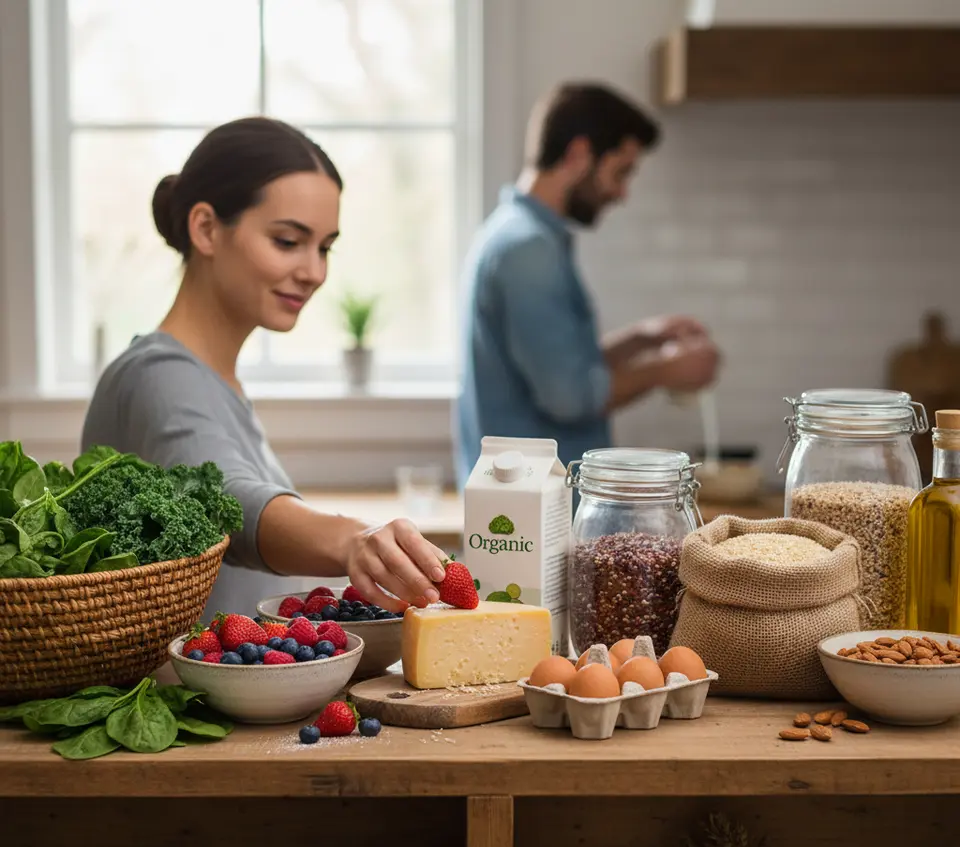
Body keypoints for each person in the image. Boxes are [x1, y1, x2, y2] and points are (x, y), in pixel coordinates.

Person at [82, 117, 447, 619]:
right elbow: (227, 500)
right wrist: (352, 540)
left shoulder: (210, 378)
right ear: (206, 228)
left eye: (324, 247)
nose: (315, 272)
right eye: (287, 241)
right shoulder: (158, 376)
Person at [455, 82, 720, 483]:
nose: (622, 193)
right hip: (530, 520)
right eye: (620, 172)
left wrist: (641, 339)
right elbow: (570, 396)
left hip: (525, 511)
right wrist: (665, 370)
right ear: (579, 154)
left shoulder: (520, 237)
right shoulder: (527, 251)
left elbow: (559, 367)